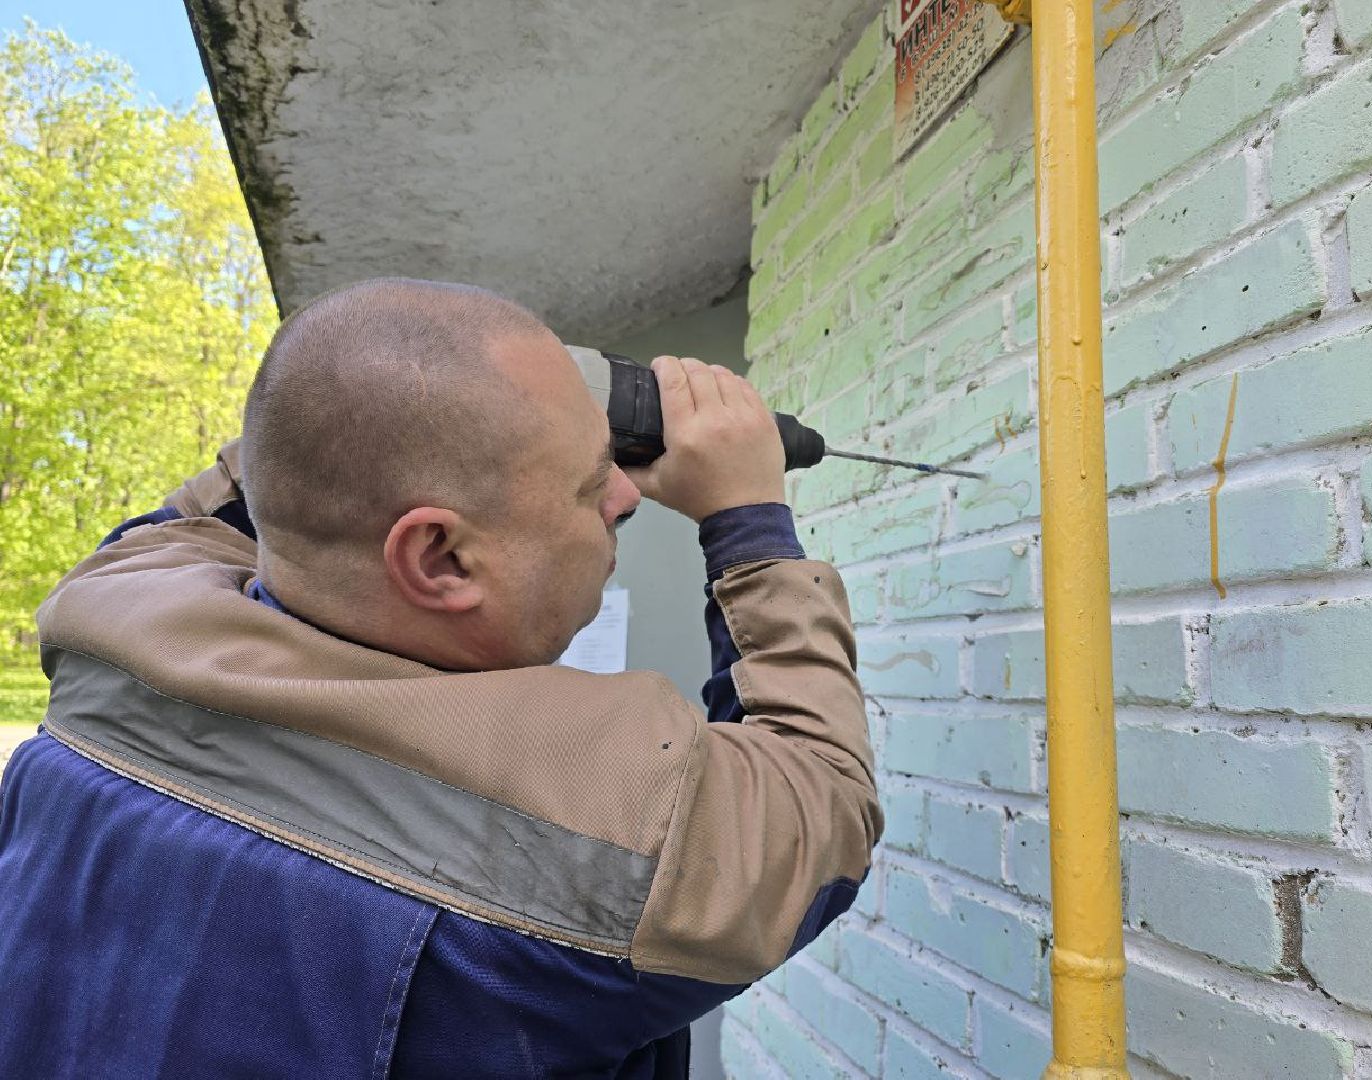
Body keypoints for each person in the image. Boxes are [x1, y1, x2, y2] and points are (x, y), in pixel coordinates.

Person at [0, 278, 882, 1078]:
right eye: (587, 485)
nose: (625, 495)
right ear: (441, 557)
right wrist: (749, 520)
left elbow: (249, 477)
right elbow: (820, 799)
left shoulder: (104, 645)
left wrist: (460, 399)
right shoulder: (600, 841)